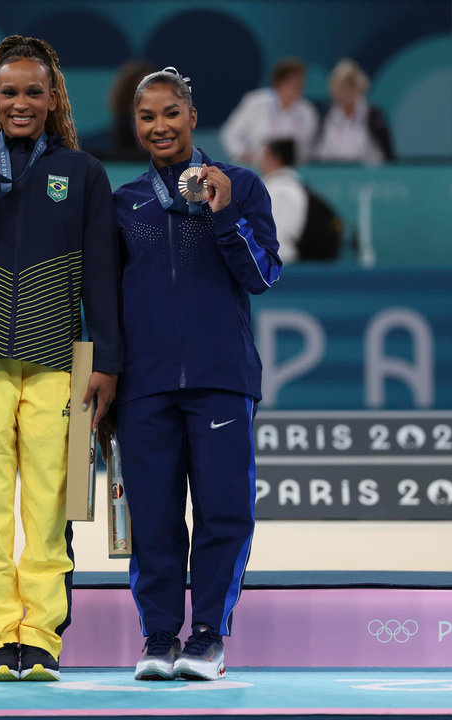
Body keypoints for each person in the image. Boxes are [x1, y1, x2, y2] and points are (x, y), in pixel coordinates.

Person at [0, 35, 122, 682]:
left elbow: (102, 276)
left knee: (50, 503)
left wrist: (107, 362)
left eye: (33, 92)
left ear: (52, 98)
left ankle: (39, 635)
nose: (20, 103)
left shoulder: (84, 172)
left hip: (59, 363)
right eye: (8, 91)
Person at [111, 67, 281, 682]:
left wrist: (225, 216)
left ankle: (207, 636)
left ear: (192, 116)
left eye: (170, 113)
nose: (160, 126)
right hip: (145, 386)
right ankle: (159, 637)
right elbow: (104, 300)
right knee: (153, 516)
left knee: (223, 511)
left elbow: (262, 276)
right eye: (147, 117)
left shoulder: (241, 186)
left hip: (221, 377)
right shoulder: (124, 202)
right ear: (136, 126)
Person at [220, 58, 317, 167]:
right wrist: (242, 154)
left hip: (291, 172)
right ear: (279, 83)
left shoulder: (307, 111)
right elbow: (231, 133)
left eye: (299, 85)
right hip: (255, 168)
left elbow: (308, 148)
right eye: (291, 84)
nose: (296, 89)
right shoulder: (255, 102)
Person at [314, 59, 394, 165]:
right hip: (332, 174)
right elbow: (318, 152)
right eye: (339, 88)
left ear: (358, 88)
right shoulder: (326, 115)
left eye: (348, 88)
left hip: (369, 177)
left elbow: (387, 155)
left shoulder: (374, 116)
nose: (343, 93)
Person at [259, 139, 307, 263]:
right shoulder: (276, 186)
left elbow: (278, 233)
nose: (260, 161)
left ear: (275, 158)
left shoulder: (282, 190)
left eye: (264, 156)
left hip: (277, 262)